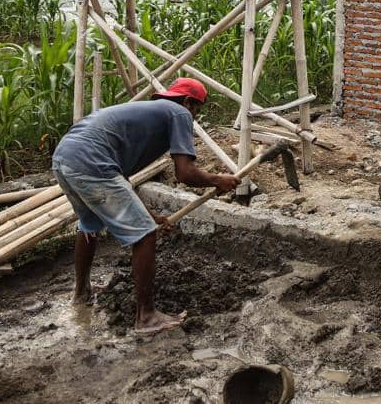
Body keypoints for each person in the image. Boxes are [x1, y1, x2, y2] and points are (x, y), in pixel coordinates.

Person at [51, 78, 241, 335]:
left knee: (89, 224)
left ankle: (81, 293)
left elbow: (121, 182)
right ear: (188, 103)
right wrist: (218, 180)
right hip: (92, 161)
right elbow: (184, 173)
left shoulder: (146, 115)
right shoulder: (179, 113)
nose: (194, 118)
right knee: (145, 235)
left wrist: (150, 216)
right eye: (197, 111)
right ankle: (147, 317)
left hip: (65, 156)